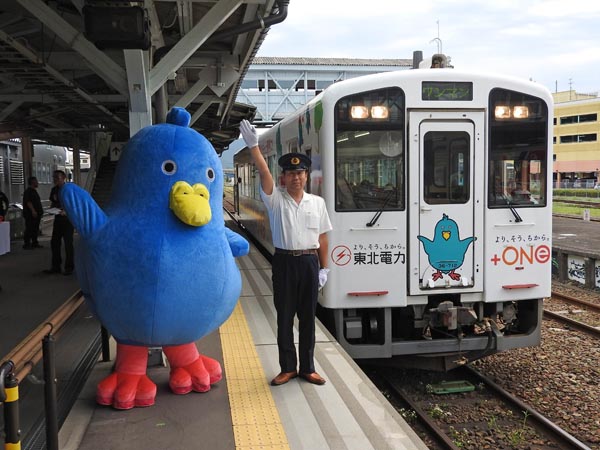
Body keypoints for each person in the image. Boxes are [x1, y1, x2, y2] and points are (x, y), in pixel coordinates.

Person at [240, 119, 332, 386]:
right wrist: (254, 148)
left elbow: (323, 238)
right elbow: (264, 172)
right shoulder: (275, 199)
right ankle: (287, 368)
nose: (296, 177)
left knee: (307, 319)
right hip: (284, 262)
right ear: (284, 177)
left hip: (309, 263)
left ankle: (308, 367)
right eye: (291, 174)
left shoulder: (317, 203)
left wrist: (324, 268)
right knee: (284, 318)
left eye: (301, 173)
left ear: (306, 176)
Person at [44, 170, 74, 275]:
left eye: (57, 177)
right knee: (54, 243)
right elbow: (53, 202)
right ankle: (56, 266)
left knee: (68, 243)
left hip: (67, 220)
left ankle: (69, 267)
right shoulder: (54, 190)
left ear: (64, 177)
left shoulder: (69, 189)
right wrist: (51, 209)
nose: (55, 180)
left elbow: (74, 204)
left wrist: (66, 211)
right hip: (58, 219)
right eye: (54, 177)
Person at [22, 176, 44, 249]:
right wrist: (33, 211)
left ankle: (35, 242)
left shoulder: (34, 191)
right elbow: (28, 202)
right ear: (32, 182)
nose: (37, 183)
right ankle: (27, 244)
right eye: (36, 181)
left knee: (35, 229)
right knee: (29, 228)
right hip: (30, 214)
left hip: (36, 214)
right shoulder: (28, 191)